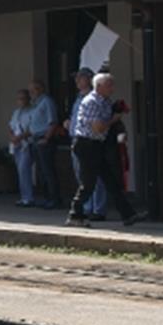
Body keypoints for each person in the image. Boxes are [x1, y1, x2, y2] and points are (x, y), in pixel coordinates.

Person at [66, 73, 146, 228]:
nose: (112, 88)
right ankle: (74, 214)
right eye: (109, 85)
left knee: (111, 181)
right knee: (88, 183)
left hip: (97, 145)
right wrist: (113, 119)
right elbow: (98, 128)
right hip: (86, 144)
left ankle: (128, 214)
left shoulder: (105, 102)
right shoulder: (91, 102)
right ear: (99, 86)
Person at [65, 68, 107, 220]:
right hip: (76, 139)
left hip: (90, 141)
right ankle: (86, 207)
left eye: (80, 78)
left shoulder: (94, 98)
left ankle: (98, 209)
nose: (77, 81)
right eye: (76, 78)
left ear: (89, 79)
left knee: (93, 177)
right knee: (82, 177)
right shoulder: (78, 98)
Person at [27, 79, 61, 209]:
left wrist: (46, 138)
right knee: (40, 171)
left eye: (33, 90)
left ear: (41, 89)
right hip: (35, 139)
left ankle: (54, 198)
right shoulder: (35, 104)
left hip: (44, 139)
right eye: (29, 91)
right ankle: (46, 198)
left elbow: (52, 122)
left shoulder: (47, 102)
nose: (31, 93)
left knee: (48, 170)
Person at [8, 89, 36, 207]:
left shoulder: (32, 112)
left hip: (26, 143)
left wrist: (20, 137)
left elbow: (33, 128)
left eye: (23, 98)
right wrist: (12, 137)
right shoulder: (16, 112)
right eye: (19, 99)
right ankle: (23, 196)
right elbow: (10, 126)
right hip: (16, 145)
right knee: (20, 171)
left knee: (24, 169)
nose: (21, 101)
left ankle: (28, 198)